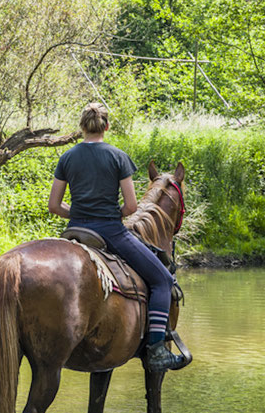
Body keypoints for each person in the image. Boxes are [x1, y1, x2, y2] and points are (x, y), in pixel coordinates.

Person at [47, 100, 180, 373]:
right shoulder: (118, 157)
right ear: (106, 126)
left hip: (75, 230)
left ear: (82, 127)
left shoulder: (67, 158)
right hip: (110, 231)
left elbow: (54, 206)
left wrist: (78, 213)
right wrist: (108, 213)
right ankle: (157, 349)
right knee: (163, 280)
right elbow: (131, 207)